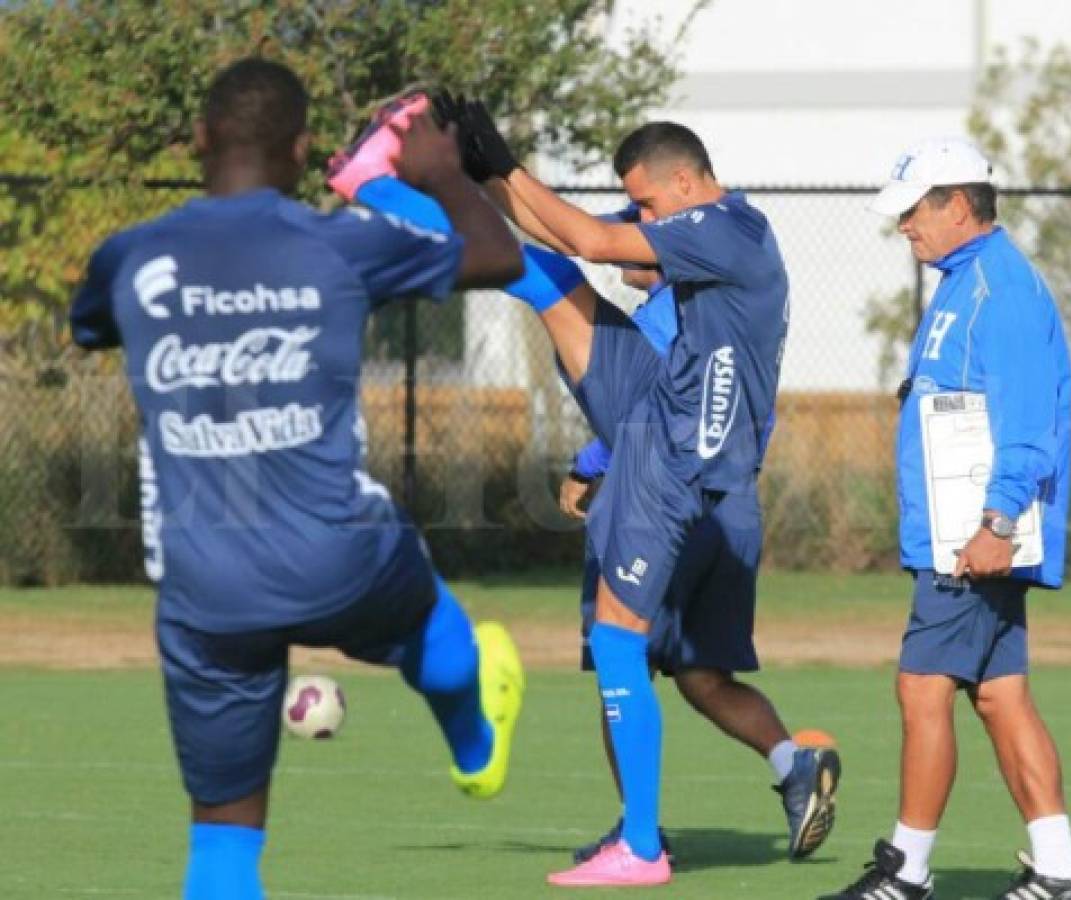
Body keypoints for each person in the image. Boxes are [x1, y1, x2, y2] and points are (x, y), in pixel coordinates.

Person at [69, 58, 526, 900]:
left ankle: (467, 717)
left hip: (206, 588)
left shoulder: (130, 256)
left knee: (221, 844)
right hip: (337, 555)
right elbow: (498, 257)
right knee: (430, 621)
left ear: (201, 139)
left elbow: (89, 324)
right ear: (303, 145)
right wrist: (441, 176)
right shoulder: (338, 244)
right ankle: (470, 732)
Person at [449, 101, 839, 888]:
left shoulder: (717, 239)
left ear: (689, 186)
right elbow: (566, 237)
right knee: (698, 674)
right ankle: (790, 763)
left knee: (618, 647)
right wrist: (496, 172)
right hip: (720, 491)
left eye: (650, 209)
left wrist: (501, 169)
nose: (638, 225)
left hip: (670, 479)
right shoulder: (717, 246)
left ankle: (639, 841)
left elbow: (581, 249)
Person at [818, 138, 1071, 900]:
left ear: (959, 205)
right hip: (958, 530)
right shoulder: (961, 281)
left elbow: (1029, 420)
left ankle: (905, 873)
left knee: (920, 687)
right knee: (1000, 695)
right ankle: (1061, 871)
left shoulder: (996, 289)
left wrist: (997, 523)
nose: (903, 226)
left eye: (913, 211)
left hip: (973, 536)